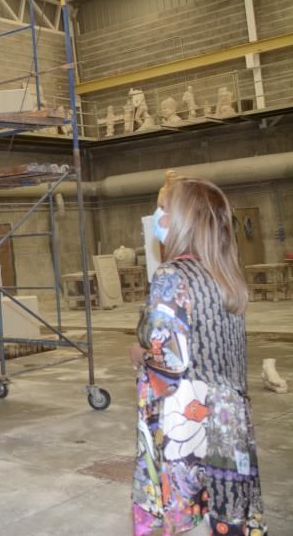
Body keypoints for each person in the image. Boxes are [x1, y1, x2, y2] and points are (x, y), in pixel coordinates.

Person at [130, 177, 267, 536]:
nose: (159, 217)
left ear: (184, 220)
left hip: (189, 420)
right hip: (231, 418)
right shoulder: (227, 275)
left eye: (165, 209)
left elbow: (170, 362)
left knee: (189, 515)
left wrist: (141, 354)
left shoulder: (171, 276)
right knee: (227, 511)